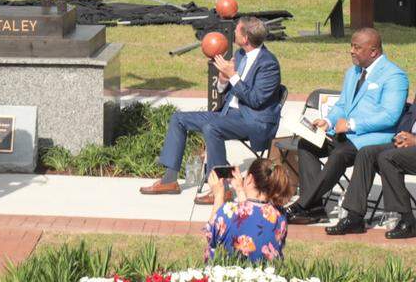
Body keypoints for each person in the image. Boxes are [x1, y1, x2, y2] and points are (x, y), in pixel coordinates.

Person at [141, 18, 283, 204]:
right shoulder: (240, 55)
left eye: (238, 31)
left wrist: (233, 76)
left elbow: (256, 100)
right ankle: (169, 180)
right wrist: (224, 79)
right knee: (178, 119)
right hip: (229, 115)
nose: (234, 34)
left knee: (211, 127)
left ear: (246, 37)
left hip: (254, 121)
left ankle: (220, 188)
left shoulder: (269, 65)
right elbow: (227, 89)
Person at [286, 28, 409, 225]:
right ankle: (315, 207)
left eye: (357, 47)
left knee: (339, 153)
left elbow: (390, 116)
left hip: (372, 137)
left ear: (374, 51)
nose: (351, 51)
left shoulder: (395, 76)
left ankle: (303, 205)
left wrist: (352, 124)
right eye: (351, 46)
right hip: (344, 133)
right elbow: (343, 105)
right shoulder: (353, 72)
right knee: (306, 144)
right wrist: (329, 121)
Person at [324, 98, 415, 236]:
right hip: (408, 141)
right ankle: (355, 217)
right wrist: (402, 134)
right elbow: (411, 115)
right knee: (366, 153)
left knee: (387, 158)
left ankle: (408, 222)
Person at [204, 159, 292, 263]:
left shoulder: (228, 211)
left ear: (250, 179)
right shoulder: (280, 215)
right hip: (266, 274)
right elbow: (251, 216)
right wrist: (240, 189)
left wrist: (218, 195)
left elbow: (210, 235)